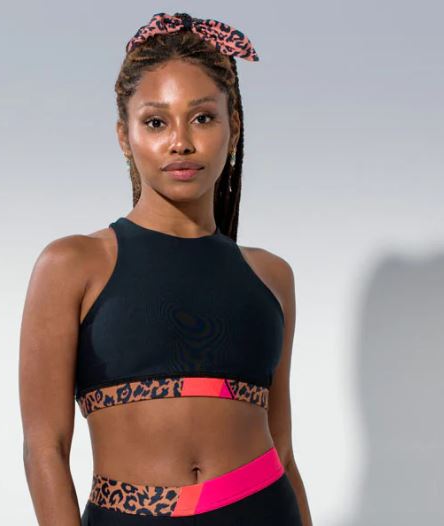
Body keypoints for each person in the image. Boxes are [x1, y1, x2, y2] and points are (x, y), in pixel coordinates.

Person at [19, 12, 313, 526]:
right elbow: (45, 447)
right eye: (156, 122)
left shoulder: (271, 277)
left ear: (233, 128)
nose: (181, 142)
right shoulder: (72, 265)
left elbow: (283, 452)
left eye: (203, 118)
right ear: (123, 135)